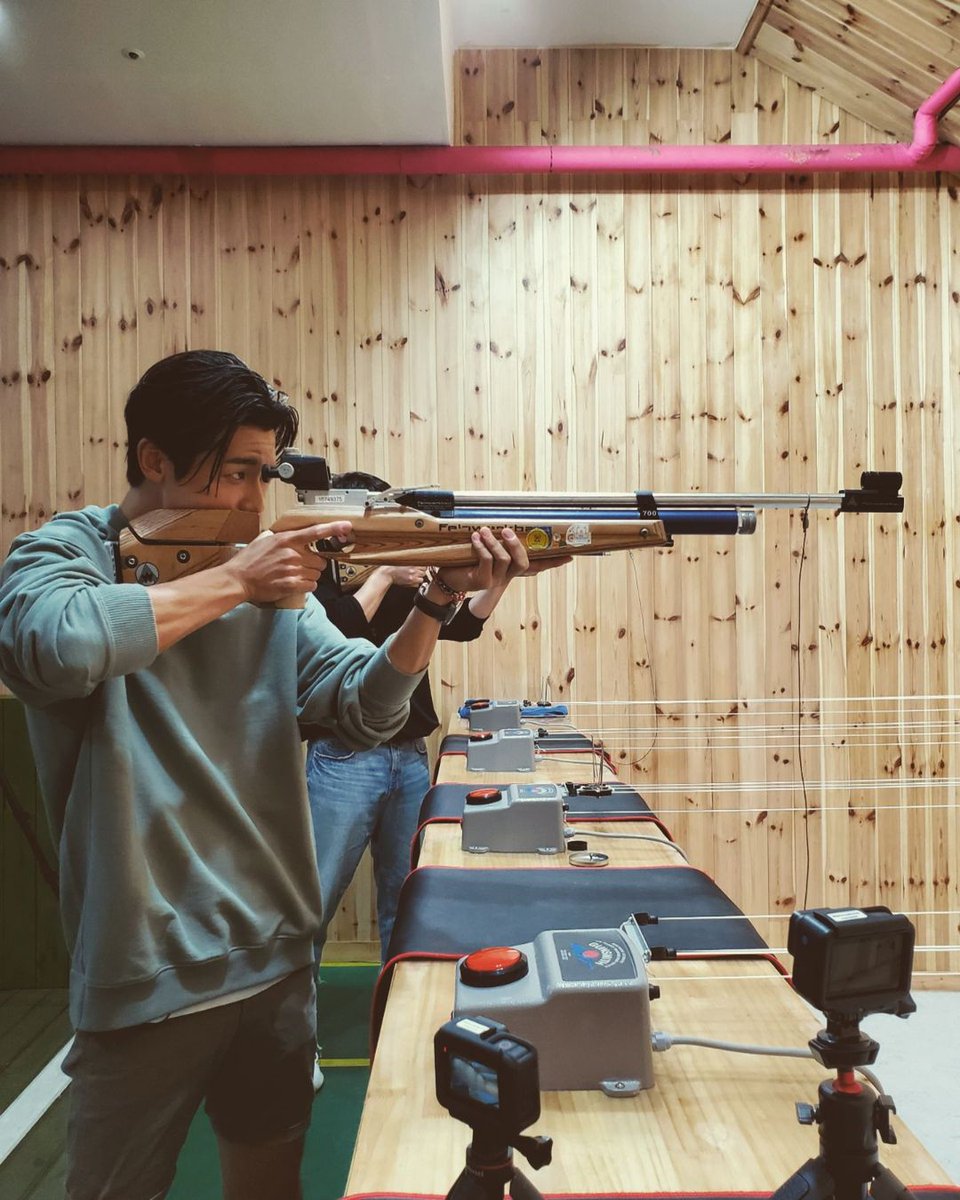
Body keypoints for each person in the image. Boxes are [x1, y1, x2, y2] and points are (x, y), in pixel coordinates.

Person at [0, 350, 530, 1200]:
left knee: (270, 1180)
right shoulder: (70, 551)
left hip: (276, 961)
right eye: (237, 473)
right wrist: (231, 582)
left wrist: (433, 604)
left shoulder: (266, 581)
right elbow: (53, 648)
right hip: (147, 968)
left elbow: (362, 707)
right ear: (153, 461)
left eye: (261, 475)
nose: (255, 502)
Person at [303, 472, 566, 976]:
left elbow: (461, 626)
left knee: (408, 906)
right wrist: (384, 572)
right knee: (312, 909)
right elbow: (335, 635)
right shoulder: (317, 572)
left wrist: (499, 576)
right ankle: (294, 1049)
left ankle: (397, 1032)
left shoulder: (402, 570)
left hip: (409, 754)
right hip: (342, 757)